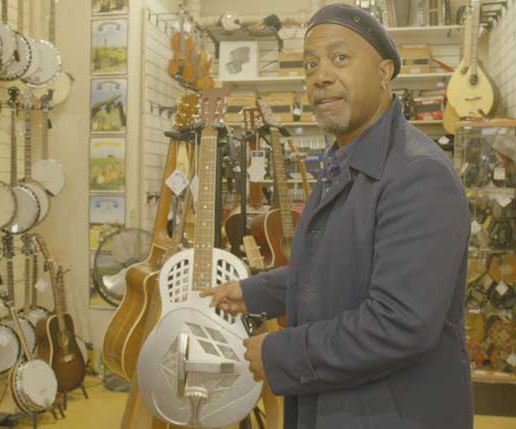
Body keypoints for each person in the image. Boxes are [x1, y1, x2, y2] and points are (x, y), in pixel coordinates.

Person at [201, 3, 472, 428]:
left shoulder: (418, 174)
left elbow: (400, 324)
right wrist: (254, 292)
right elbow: (336, 268)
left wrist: (281, 353)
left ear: (384, 73)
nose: (320, 76)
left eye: (340, 58)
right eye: (310, 64)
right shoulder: (344, 162)